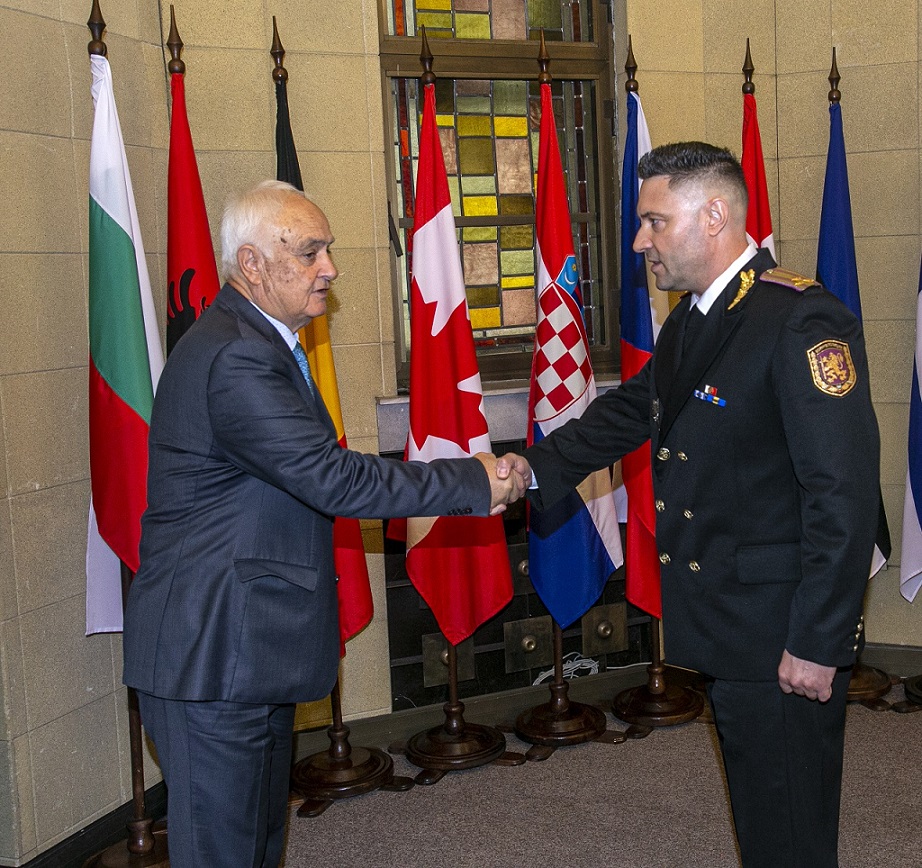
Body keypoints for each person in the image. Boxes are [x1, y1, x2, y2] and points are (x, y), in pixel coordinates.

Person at [122, 180, 527, 868]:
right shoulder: (235, 354)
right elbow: (333, 478)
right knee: (224, 852)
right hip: (211, 655)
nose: (330, 268)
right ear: (252, 264)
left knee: (255, 846)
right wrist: (471, 480)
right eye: (309, 253)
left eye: (328, 250)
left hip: (242, 650)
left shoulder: (258, 339)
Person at [501, 142, 879, 867]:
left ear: (714, 216)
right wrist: (530, 468)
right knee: (763, 820)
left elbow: (844, 492)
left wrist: (819, 640)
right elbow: (631, 413)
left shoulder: (799, 319)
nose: (640, 241)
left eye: (654, 221)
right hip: (730, 621)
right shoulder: (693, 319)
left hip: (780, 630)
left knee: (790, 830)